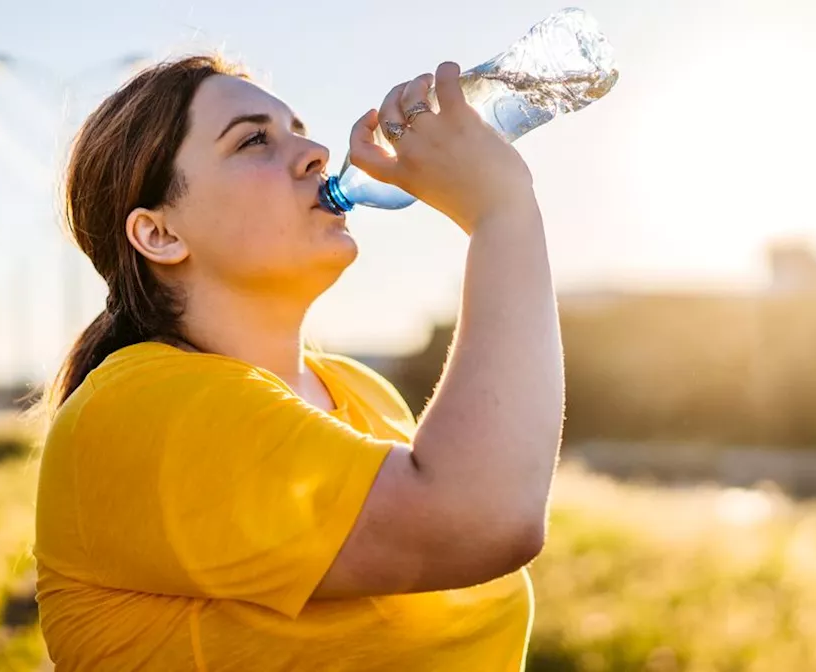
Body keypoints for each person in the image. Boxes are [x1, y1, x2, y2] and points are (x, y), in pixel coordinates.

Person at [33, 54, 565, 671]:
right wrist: (502, 214)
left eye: (299, 129)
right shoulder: (135, 409)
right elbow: (479, 519)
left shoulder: (358, 391)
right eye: (255, 139)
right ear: (159, 235)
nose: (314, 152)